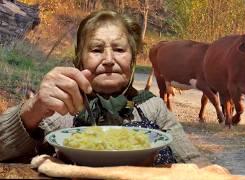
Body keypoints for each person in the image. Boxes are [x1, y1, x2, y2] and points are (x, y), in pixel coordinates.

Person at [0, 10, 211, 167]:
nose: (109, 60)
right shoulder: (59, 109)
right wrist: (34, 108)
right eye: (96, 49)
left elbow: (197, 165)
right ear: (79, 60)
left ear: (132, 60)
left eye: (119, 49)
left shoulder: (153, 107)